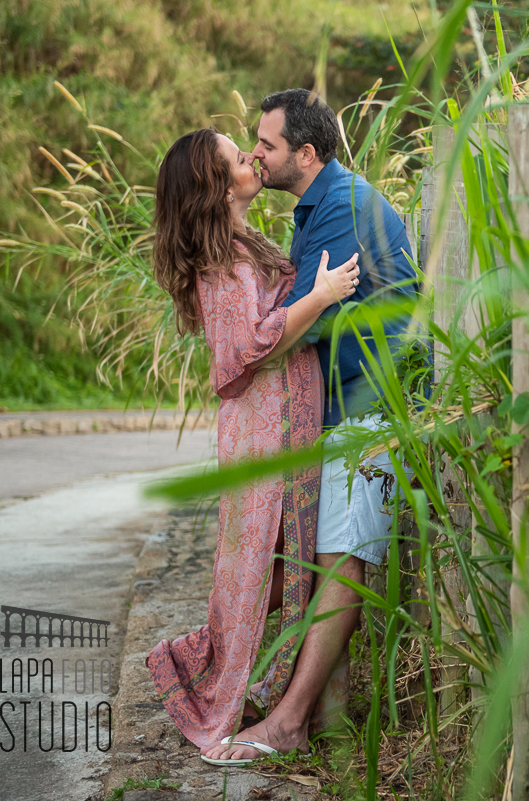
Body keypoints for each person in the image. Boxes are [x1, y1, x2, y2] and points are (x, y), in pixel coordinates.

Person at [202, 89, 419, 764]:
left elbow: (285, 330)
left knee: (338, 560)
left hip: (371, 403)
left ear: (305, 152)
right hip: (343, 405)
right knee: (310, 558)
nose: (257, 154)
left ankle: (291, 720)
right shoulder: (313, 210)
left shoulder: (341, 209)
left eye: (264, 144)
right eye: (251, 145)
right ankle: (301, 704)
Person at [145, 127, 360, 763]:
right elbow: (243, 353)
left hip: (282, 425)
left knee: (277, 562)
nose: (251, 159)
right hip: (264, 432)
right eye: (239, 158)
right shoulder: (224, 263)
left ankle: (287, 692)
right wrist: (321, 297)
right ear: (217, 186)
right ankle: (210, 680)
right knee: (257, 565)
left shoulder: (247, 246)